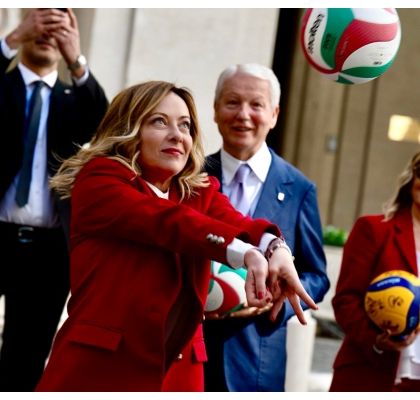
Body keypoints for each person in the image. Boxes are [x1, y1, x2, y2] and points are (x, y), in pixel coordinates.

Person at [36, 81, 316, 391]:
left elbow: (238, 222)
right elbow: (168, 222)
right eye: (159, 121)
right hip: (101, 369)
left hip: (180, 375)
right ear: (129, 128)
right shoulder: (99, 178)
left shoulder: (201, 190)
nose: (177, 135)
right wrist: (246, 253)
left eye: (185, 125)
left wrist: (274, 247)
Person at [0, 8, 109, 391]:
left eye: (59, 28)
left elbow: (106, 123)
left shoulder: (75, 100)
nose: (48, 33)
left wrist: (77, 59)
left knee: (24, 366)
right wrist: (16, 36)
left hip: (47, 254)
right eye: (41, 24)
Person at [202, 63, 329, 392]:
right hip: (189, 349)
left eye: (256, 104)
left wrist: (277, 301)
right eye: (232, 102)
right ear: (215, 110)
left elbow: (316, 274)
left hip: (257, 356)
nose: (243, 114)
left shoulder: (299, 188)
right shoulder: (191, 177)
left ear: (273, 114)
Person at [329, 147, 420, 392]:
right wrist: (376, 340)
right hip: (374, 372)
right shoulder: (374, 229)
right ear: (411, 179)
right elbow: (346, 300)